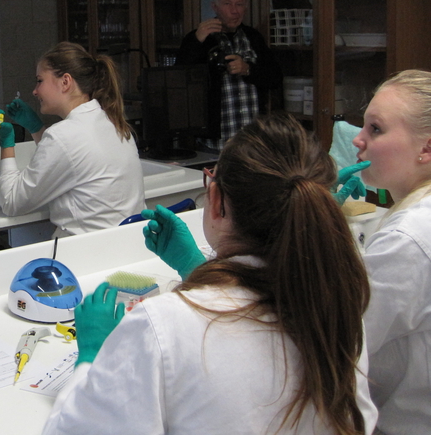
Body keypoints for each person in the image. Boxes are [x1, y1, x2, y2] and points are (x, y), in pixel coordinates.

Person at [43, 113, 376, 434]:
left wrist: (93, 357)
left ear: (215, 200)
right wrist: (195, 269)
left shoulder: (162, 325)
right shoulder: (335, 307)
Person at [0, 41, 144, 236]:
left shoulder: (63, 135)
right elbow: (68, 160)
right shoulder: (113, 123)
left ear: (65, 82)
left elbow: (12, 202)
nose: (35, 91)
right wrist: (37, 128)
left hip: (84, 250)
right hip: (125, 244)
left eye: (40, 80)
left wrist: (6, 141)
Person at [352, 69, 431, 434]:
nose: (358, 139)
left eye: (375, 129)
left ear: (426, 148)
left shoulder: (407, 240)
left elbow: (334, 339)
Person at [176, 0, 282, 151]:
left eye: (239, 5)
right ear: (215, 7)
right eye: (227, 4)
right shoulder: (199, 38)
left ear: (245, 8)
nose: (234, 11)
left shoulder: (253, 37)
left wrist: (248, 69)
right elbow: (179, 79)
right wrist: (196, 40)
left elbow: (275, 77)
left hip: (252, 139)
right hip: (214, 141)